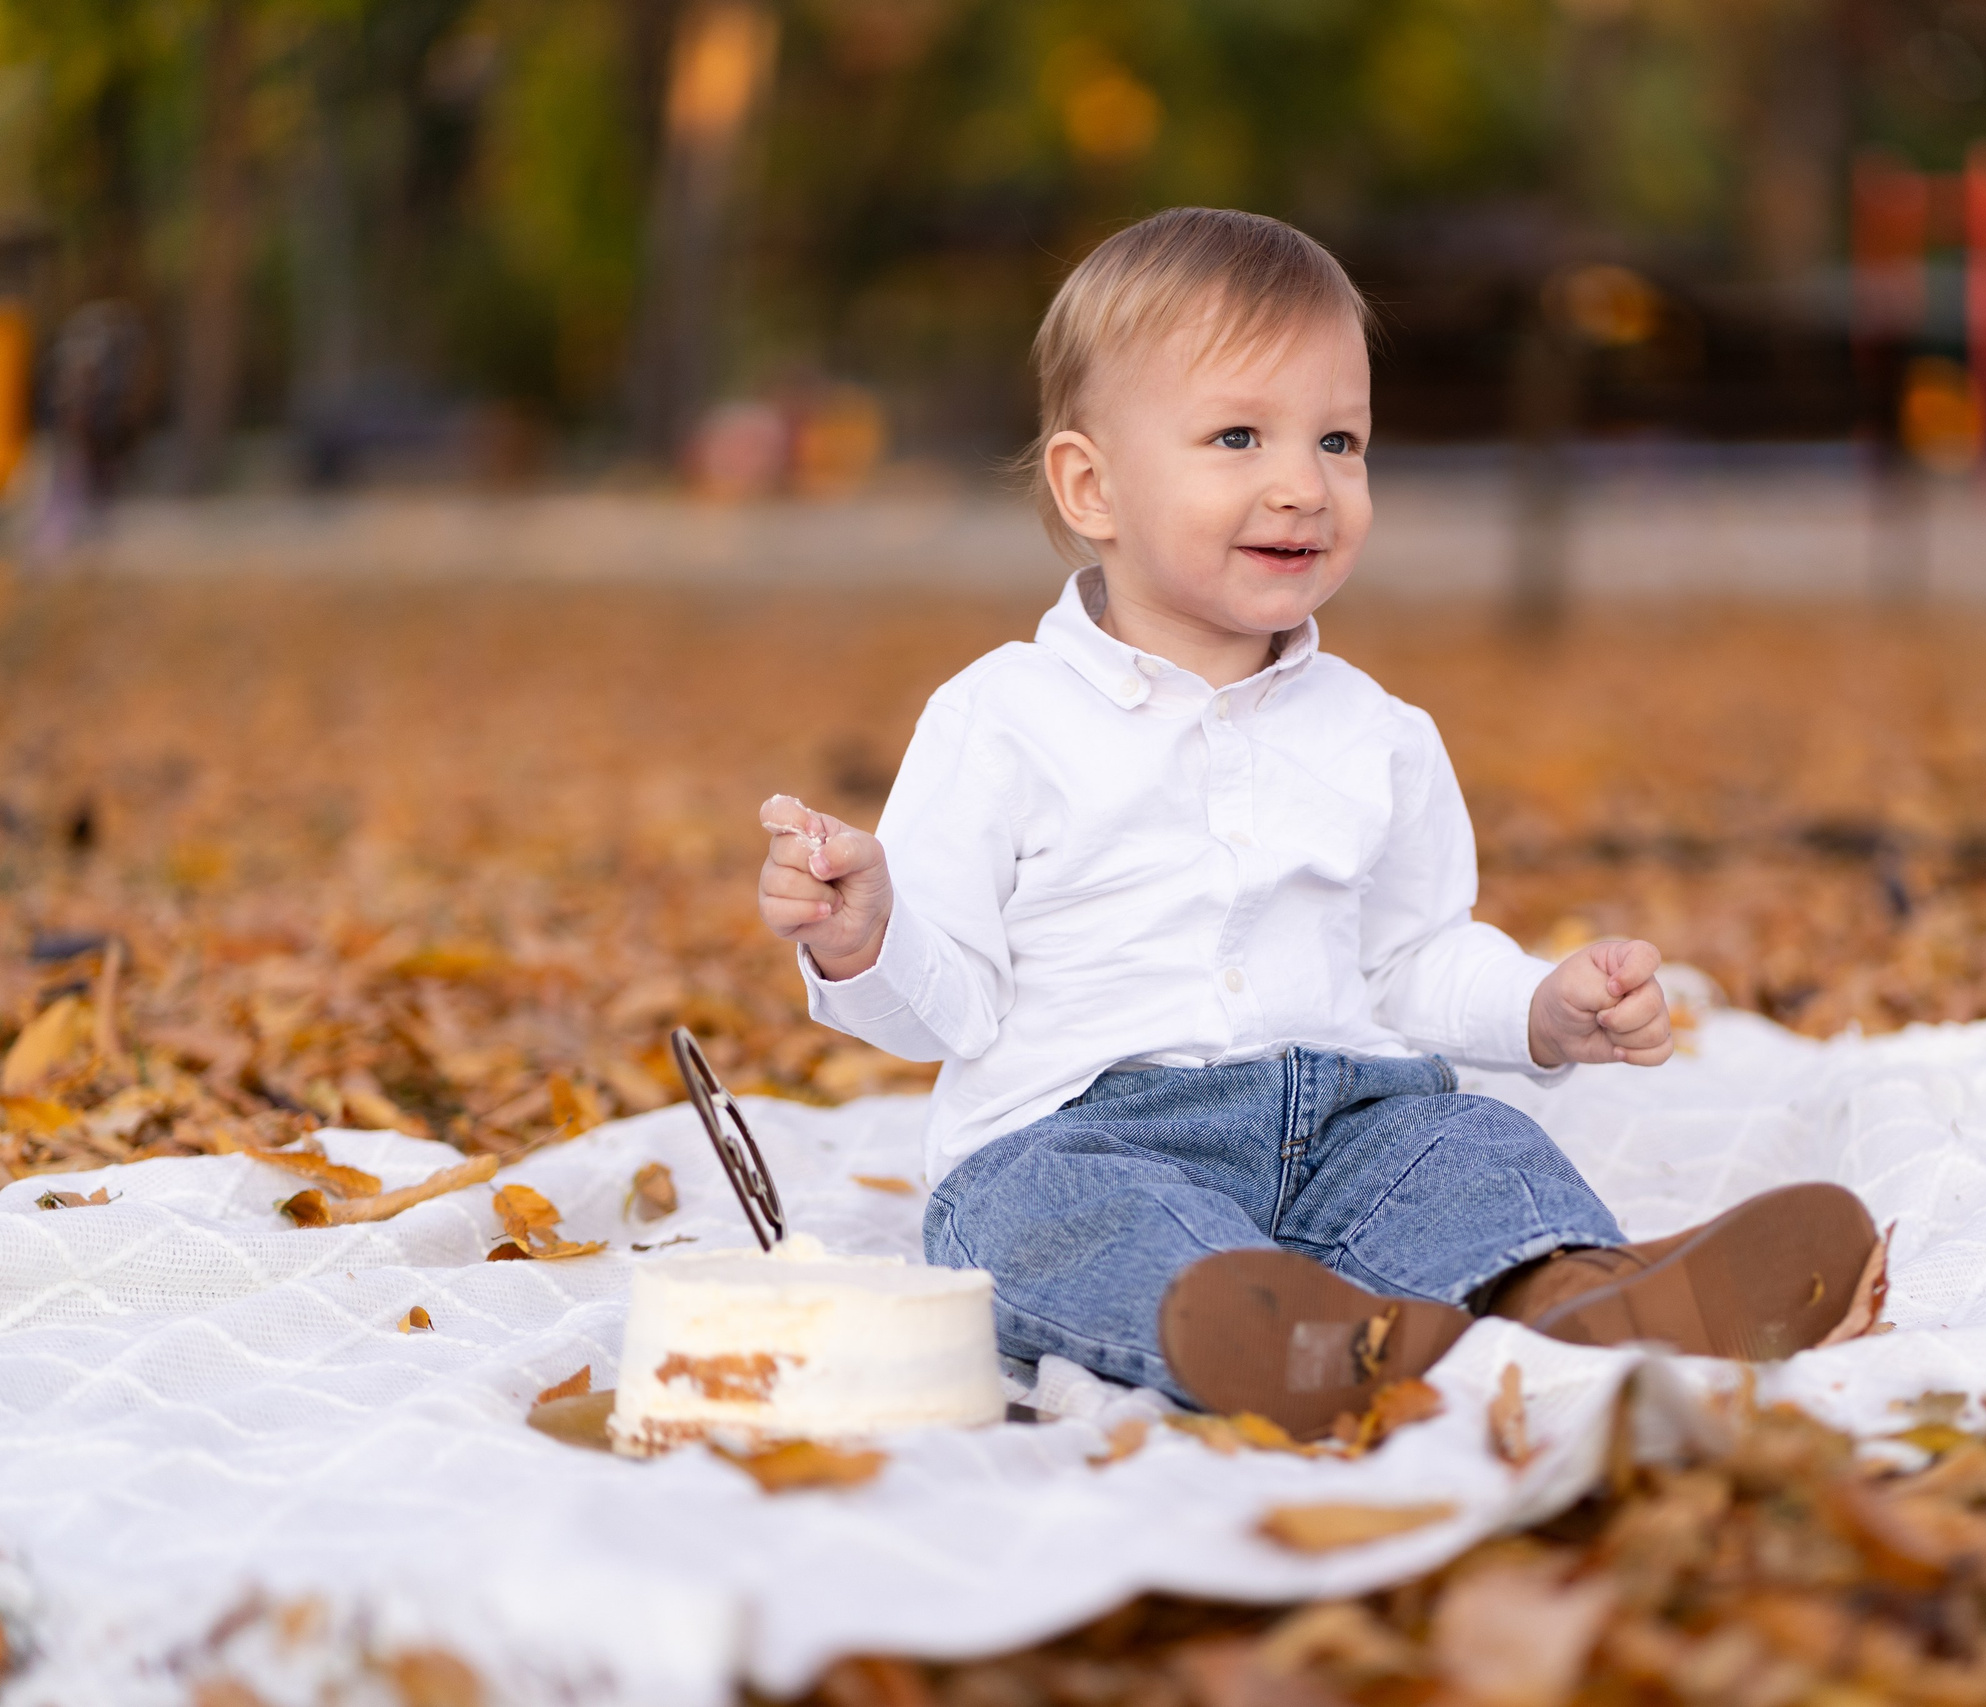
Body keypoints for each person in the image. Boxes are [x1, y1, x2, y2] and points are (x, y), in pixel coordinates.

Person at [757, 208, 1882, 1437]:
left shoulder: (1377, 733)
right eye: (1237, 436)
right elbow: (950, 1007)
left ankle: (1573, 1295)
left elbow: (1407, 962)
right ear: (1093, 485)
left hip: (1341, 1117)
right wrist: (866, 936)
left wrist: (1535, 1009)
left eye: (1339, 441)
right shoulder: (1000, 720)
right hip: (1083, 1134)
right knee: (1058, 1223)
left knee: (1468, 1146)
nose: (1303, 485)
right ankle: (1283, 1338)